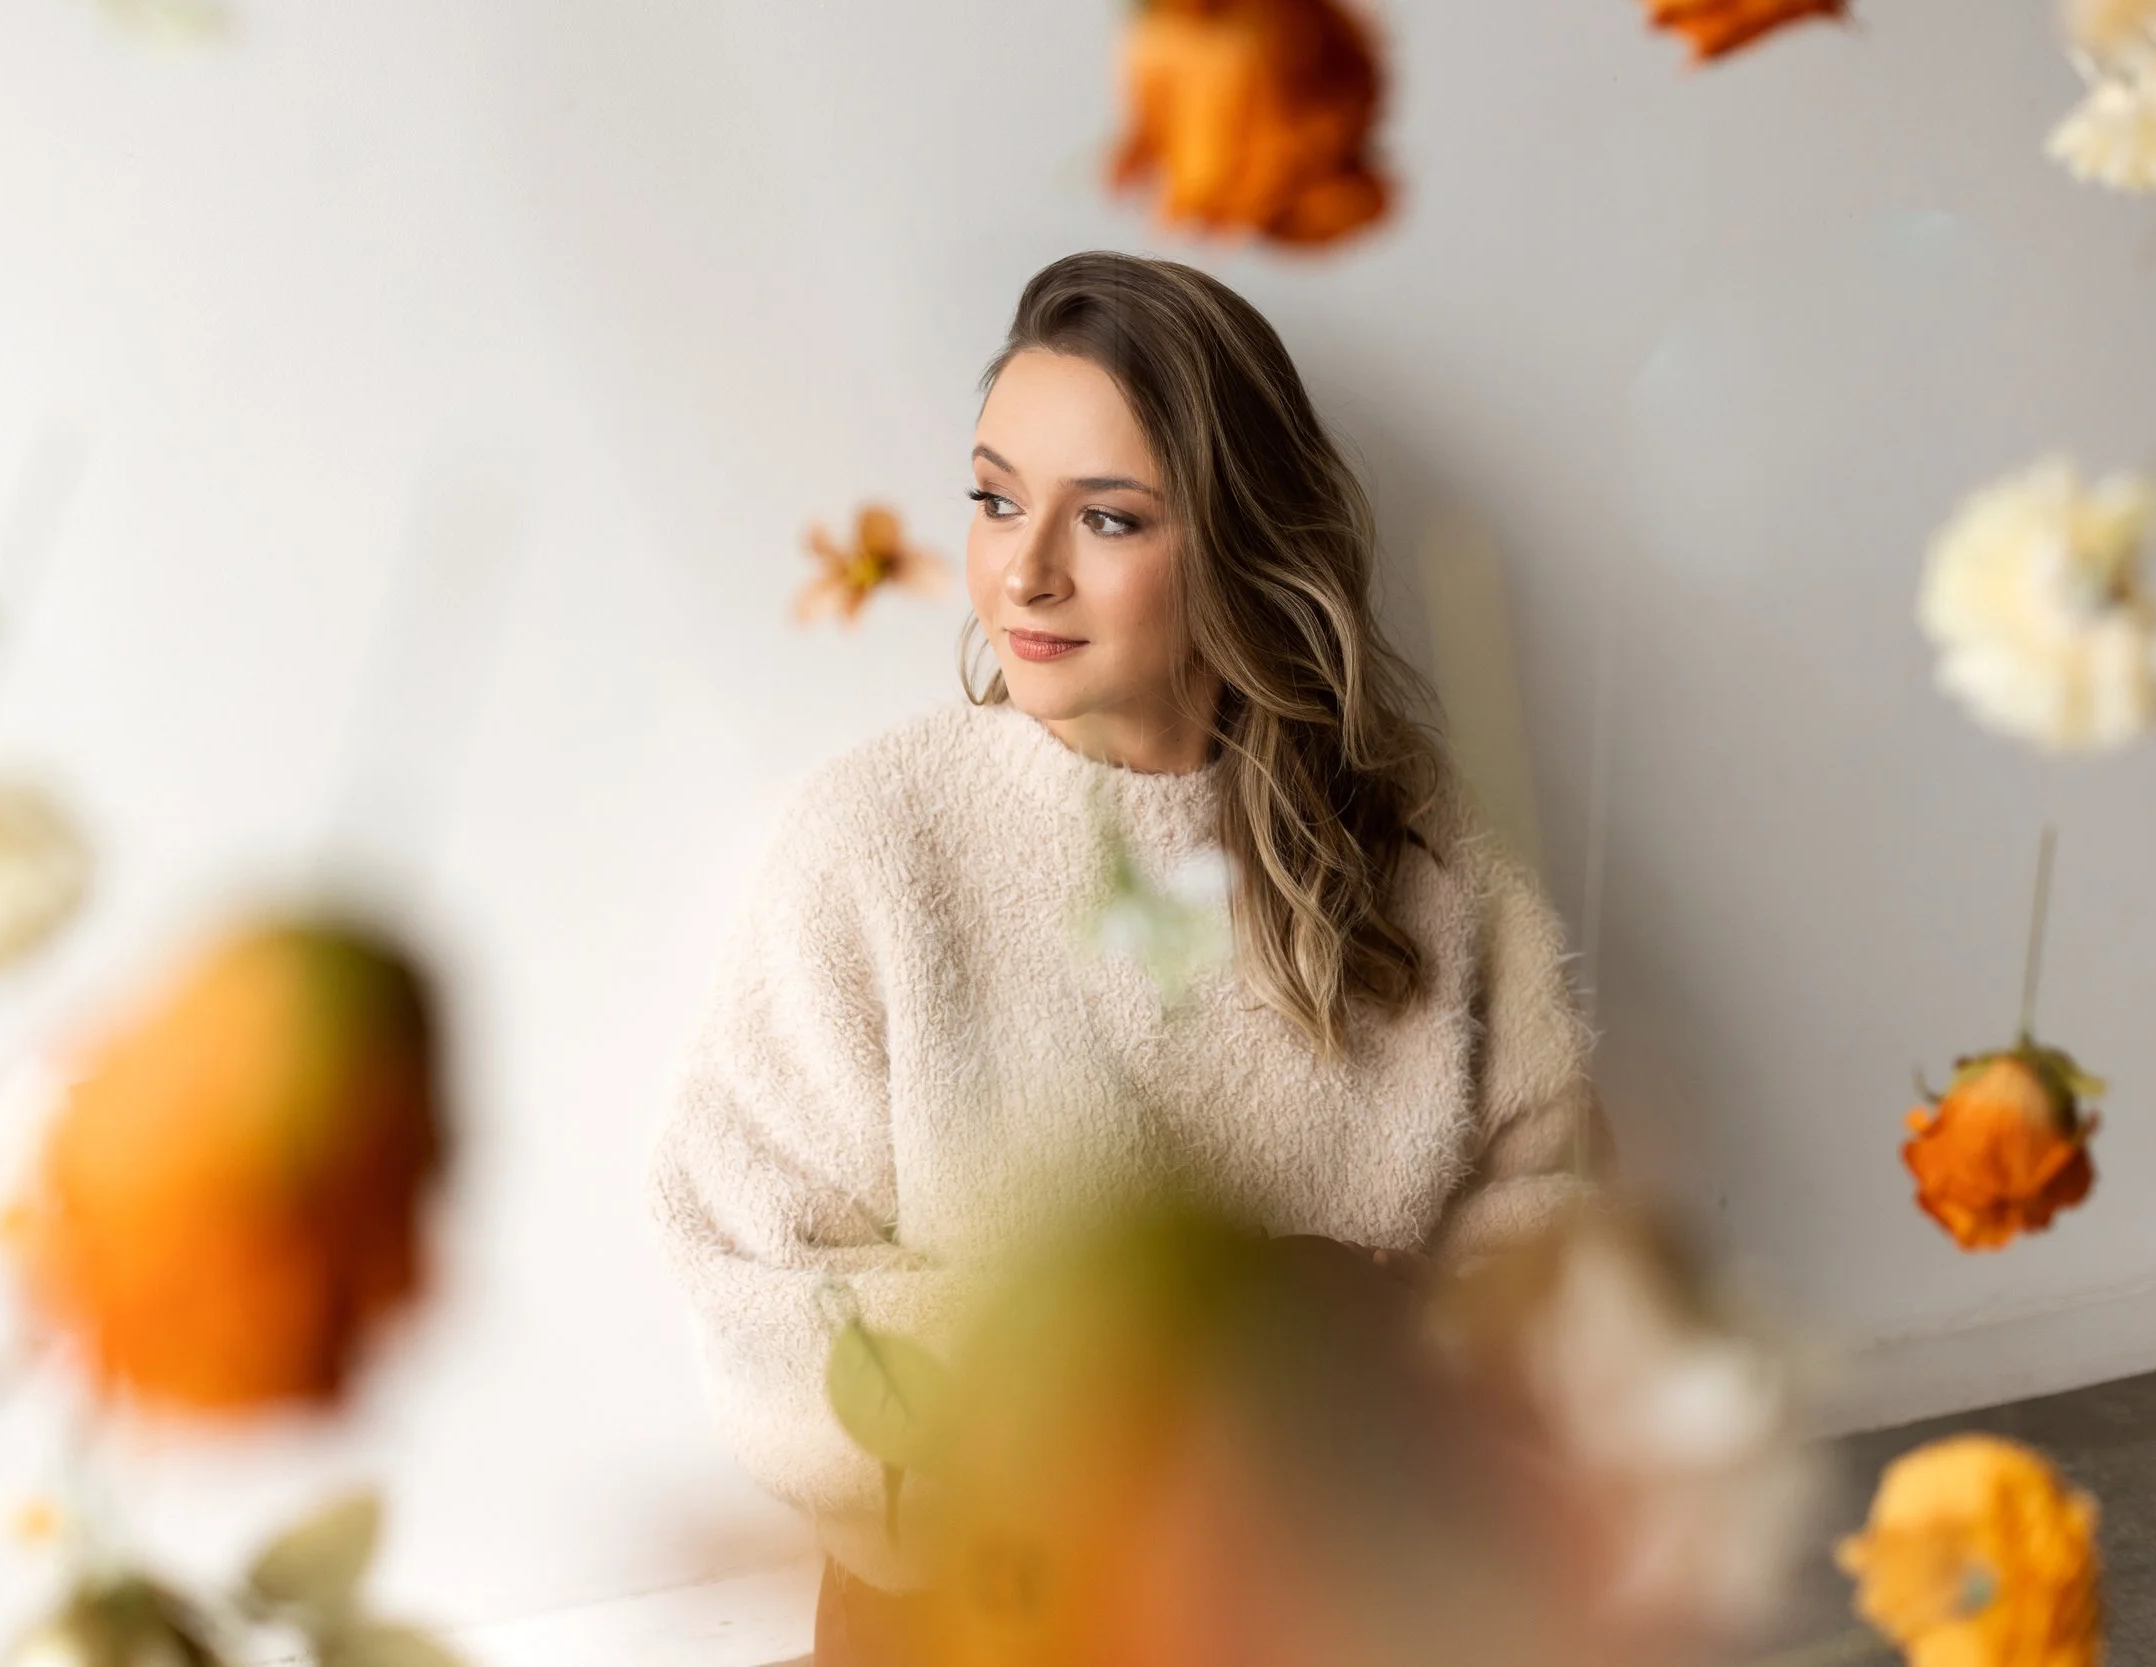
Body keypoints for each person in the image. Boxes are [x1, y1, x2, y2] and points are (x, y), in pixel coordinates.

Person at [648, 250, 1606, 1665]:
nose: (1022, 568)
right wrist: (1169, 1358)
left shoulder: (1430, 860)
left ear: (1235, 542)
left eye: (1108, 517)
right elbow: (757, 1292)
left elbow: (1556, 1243)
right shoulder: (878, 847)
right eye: (992, 499)